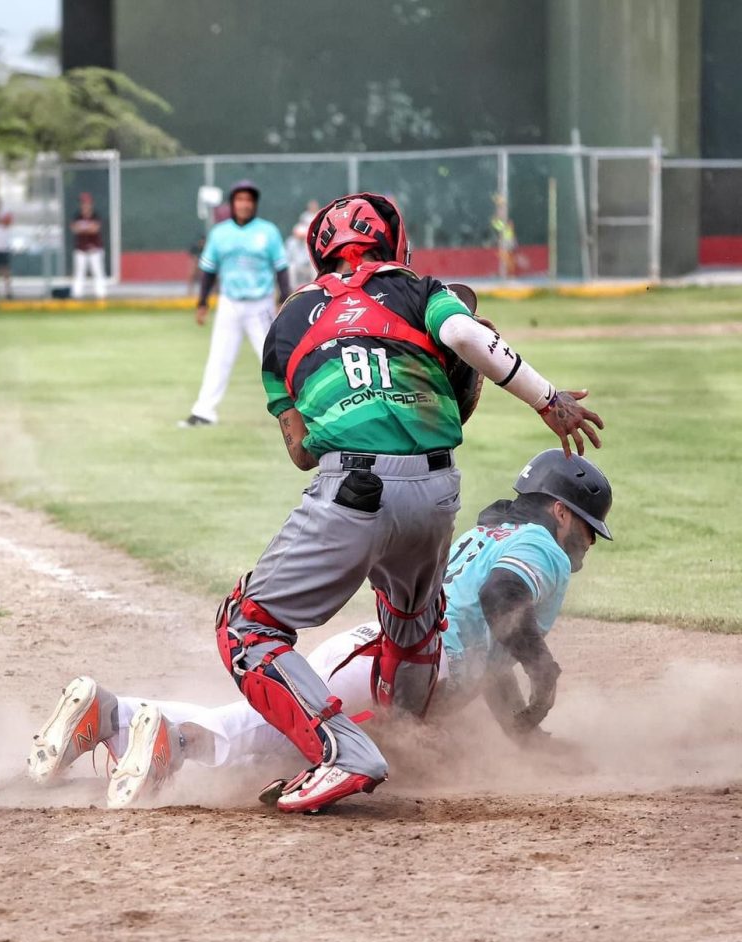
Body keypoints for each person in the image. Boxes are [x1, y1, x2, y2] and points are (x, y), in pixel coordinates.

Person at [210, 191, 604, 814]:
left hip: (353, 487)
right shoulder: (421, 290)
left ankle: (344, 750)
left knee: (247, 626)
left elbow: (301, 451)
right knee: (414, 623)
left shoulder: (288, 321)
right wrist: (547, 400)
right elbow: (465, 337)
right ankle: (411, 744)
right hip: (438, 491)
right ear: (394, 244)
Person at [27, 450, 613, 810]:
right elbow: (500, 601)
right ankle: (168, 741)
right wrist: (545, 669)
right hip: (401, 667)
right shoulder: (543, 546)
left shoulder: (493, 536)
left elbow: (488, 646)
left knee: (265, 729)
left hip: (377, 650)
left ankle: (111, 716)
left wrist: (527, 737)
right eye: (587, 528)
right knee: (273, 743)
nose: (586, 544)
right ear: (560, 511)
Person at [178, 180, 291, 428]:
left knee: (274, 359)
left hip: (260, 305)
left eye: (249, 200)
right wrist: (202, 303)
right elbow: (208, 270)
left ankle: (296, 410)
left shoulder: (268, 231)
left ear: (254, 204)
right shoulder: (220, 233)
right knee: (219, 357)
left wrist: (285, 298)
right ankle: (204, 411)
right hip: (229, 303)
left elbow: (281, 268)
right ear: (232, 203)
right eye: (239, 199)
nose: (244, 204)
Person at [70, 192, 106, 300]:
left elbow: (95, 229)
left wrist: (83, 228)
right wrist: (86, 227)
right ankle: (77, 296)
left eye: (87, 203)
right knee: (79, 273)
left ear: (91, 204)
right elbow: (74, 229)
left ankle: (101, 296)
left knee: (98, 272)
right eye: (83, 203)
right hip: (80, 249)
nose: (85, 205)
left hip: (94, 249)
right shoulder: (77, 216)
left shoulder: (95, 215)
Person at [285, 198, 320, 288]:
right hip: (297, 265)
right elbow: (288, 258)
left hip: (309, 264)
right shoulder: (291, 242)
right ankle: (292, 290)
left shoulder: (320, 215)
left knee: (314, 267)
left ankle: (316, 285)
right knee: (291, 268)